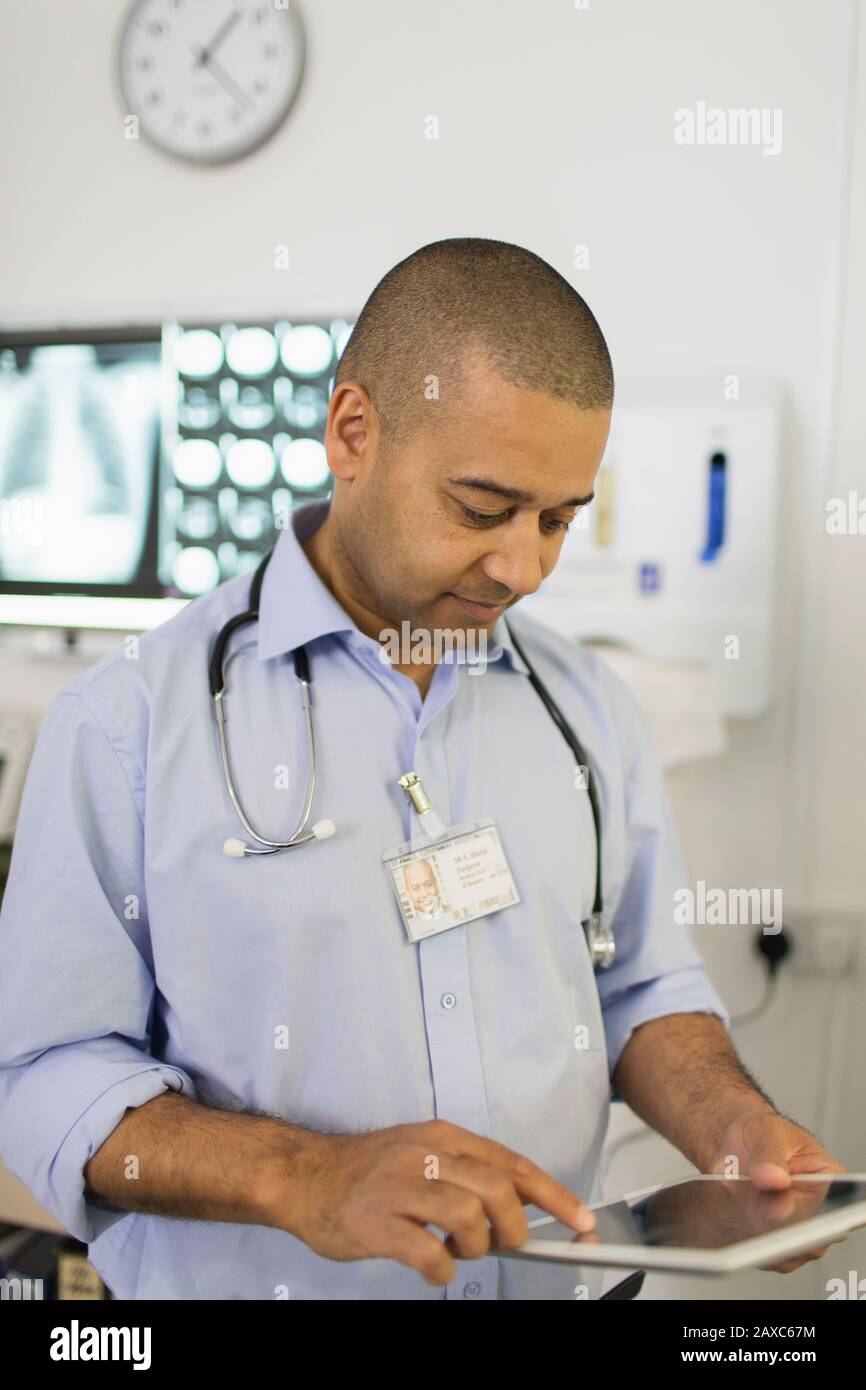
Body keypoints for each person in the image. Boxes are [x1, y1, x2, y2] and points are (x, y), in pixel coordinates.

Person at [0, 238, 843, 1300]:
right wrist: (304, 1175)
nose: (522, 567)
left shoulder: (587, 711)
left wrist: (732, 1125)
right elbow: (42, 1077)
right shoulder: (126, 723)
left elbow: (636, 986)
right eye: (482, 509)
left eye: (558, 519)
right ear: (353, 432)